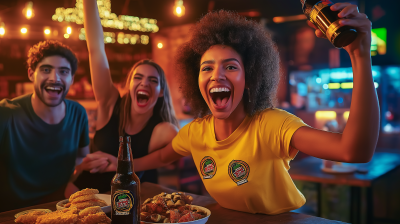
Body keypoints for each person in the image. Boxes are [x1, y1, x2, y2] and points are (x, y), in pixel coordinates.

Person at [133, 3, 379, 215]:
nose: (216, 75)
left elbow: (354, 151)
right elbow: (164, 156)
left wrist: (360, 56)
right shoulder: (195, 132)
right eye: (206, 68)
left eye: (230, 67)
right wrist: (122, 165)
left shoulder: (272, 124)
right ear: (195, 81)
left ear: (250, 78)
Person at [64, 0, 179, 196]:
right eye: (138, 77)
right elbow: (96, 49)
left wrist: (118, 164)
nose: (144, 84)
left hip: (128, 207)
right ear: (128, 86)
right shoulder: (110, 105)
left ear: (161, 92)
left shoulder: (163, 131)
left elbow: (166, 157)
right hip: (81, 200)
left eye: (153, 80)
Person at [0, 40, 89, 212]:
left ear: (72, 79)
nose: (55, 78)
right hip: (11, 212)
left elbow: (82, 158)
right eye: (46, 70)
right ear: (31, 74)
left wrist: (70, 183)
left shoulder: (78, 113)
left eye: (63, 71)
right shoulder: (6, 113)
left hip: (59, 208)